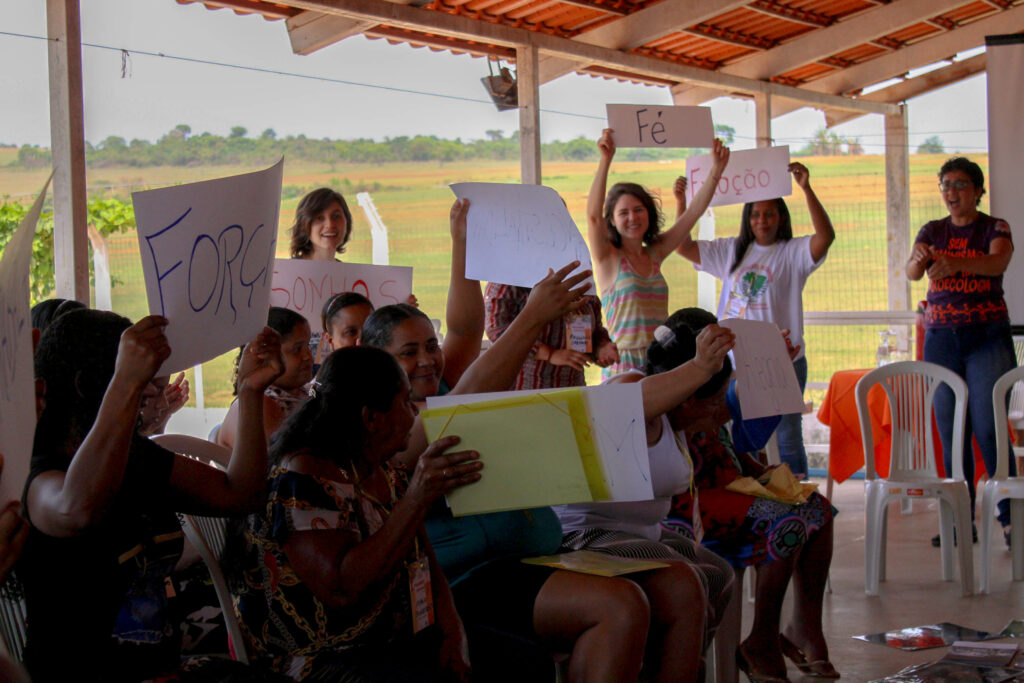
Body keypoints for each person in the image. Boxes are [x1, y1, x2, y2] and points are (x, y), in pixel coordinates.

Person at [363, 201, 657, 681]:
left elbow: (464, 327)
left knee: (673, 588)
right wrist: (532, 318)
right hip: (463, 579)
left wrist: (461, 243)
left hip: (523, 557)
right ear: (376, 362)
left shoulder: (441, 385)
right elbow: (458, 408)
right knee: (620, 607)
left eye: (431, 346)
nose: (427, 360)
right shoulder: (389, 430)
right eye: (408, 352)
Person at [21, 309, 283, 682]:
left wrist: (251, 392)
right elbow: (75, 510)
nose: (148, 390)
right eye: (139, 377)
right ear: (84, 384)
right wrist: (126, 383)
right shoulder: (39, 473)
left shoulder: (136, 460)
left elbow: (241, 494)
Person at [235, 346, 479, 682]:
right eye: (405, 401)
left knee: (523, 661)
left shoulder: (383, 468)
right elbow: (342, 591)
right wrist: (416, 498)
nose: (413, 412)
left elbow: (425, 560)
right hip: (321, 658)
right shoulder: (303, 477)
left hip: (396, 643)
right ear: (371, 419)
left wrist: (453, 631)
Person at [659, 308, 837, 682]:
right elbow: (712, 422)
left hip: (727, 494)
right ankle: (762, 639)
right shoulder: (668, 393)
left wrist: (772, 368)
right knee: (784, 520)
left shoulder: (713, 384)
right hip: (687, 506)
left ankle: (803, 627)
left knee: (816, 508)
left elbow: (734, 443)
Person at [555, 321, 738, 682]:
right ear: (689, 395)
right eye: (714, 401)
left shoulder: (679, 413)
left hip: (639, 533)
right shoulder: (632, 389)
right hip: (583, 533)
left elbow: (727, 411)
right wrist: (700, 368)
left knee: (718, 575)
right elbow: (635, 401)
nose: (718, 413)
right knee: (685, 581)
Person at [675, 162, 835, 479]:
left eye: (769, 214)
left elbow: (825, 237)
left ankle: (796, 498)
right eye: (756, 214)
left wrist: (806, 188)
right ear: (747, 219)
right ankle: (748, 491)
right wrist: (682, 202)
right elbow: (683, 246)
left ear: (781, 218)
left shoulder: (792, 252)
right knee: (736, 435)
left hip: (784, 360)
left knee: (787, 435)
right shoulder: (731, 250)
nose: (762, 220)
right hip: (733, 364)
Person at [906, 156, 1017, 547]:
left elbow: (998, 261)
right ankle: (959, 520)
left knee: (988, 428)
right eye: (945, 185)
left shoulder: (994, 227)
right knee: (952, 430)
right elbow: (912, 272)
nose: (951, 192)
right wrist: (918, 260)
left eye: (960, 184)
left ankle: (1011, 520)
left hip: (986, 336)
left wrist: (955, 263)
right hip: (941, 339)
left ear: (978, 190)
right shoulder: (932, 230)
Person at [587, 129, 730, 378]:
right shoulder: (608, 258)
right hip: (624, 368)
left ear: (649, 213)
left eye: (638, 209)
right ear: (612, 220)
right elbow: (592, 218)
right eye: (623, 213)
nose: (633, 218)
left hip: (660, 364)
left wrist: (717, 170)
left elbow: (692, 214)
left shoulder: (655, 254)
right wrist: (605, 160)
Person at [484, 283, 618, 389]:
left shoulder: (580, 278)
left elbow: (593, 331)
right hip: (526, 389)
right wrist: (548, 354)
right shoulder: (511, 281)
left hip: (573, 389)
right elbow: (497, 330)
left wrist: (601, 348)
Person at [217, 307, 313, 450]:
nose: (308, 356)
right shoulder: (261, 402)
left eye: (308, 346)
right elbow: (279, 460)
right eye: (297, 349)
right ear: (264, 354)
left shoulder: (304, 392)